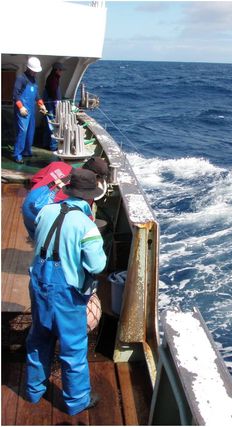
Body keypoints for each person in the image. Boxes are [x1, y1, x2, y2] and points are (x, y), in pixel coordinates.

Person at [26, 168, 106, 415]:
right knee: (73, 348)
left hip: (38, 284)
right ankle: (77, 401)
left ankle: (33, 390)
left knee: (39, 338)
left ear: (69, 190)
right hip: (67, 293)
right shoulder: (87, 226)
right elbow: (97, 265)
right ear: (90, 198)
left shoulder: (46, 212)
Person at [22, 157, 109, 238]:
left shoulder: (57, 165)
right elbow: (86, 223)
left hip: (28, 206)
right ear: (95, 176)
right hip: (44, 220)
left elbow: (34, 181)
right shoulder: (86, 193)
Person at [13, 56, 48, 163]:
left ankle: (27, 151)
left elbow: (36, 95)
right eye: (34, 71)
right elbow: (15, 95)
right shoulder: (21, 78)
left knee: (30, 131)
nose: (35, 73)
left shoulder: (33, 80)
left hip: (31, 110)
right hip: (23, 110)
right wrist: (21, 107)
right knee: (22, 131)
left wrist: (41, 104)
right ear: (29, 69)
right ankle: (17, 155)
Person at [43, 62, 65, 151]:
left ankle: (45, 143)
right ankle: (53, 146)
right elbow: (53, 92)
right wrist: (56, 103)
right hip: (50, 105)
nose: (62, 72)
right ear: (57, 70)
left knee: (48, 123)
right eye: (61, 70)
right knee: (52, 124)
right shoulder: (53, 79)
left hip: (50, 103)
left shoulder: (53, 78)